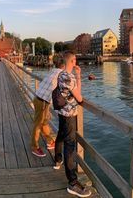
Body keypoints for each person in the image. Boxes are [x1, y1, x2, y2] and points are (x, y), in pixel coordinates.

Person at [54, 51, 91, 197]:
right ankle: (72, 183)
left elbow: (75, 92)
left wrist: (79, 76)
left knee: (61, 137)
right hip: (69, 116)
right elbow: (80, 98)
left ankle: (57, 160)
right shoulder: (68, 78)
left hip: (62, 113)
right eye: (75, 59)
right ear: (72, 60)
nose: (76, 61)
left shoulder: (62, 75)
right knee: (70, 147)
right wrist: (77, 79)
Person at [29, 60, 64, 157]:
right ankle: (34, 147)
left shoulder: (53, 71)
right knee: (38, 124)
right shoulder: (61, 74)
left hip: (39, 98)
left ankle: (49, 141)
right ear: (64, 66)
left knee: (44, 122)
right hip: (43, 101)